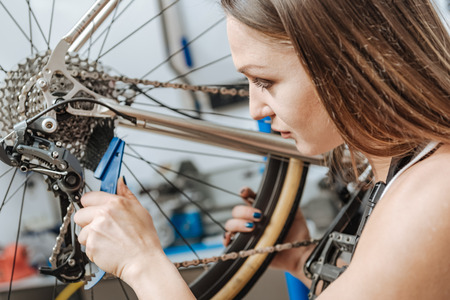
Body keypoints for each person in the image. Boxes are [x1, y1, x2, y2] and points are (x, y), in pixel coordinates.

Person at [74, 0, 450, 298]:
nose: (256, 108)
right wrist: (301, 259)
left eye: (265, 81)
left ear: (350, 62)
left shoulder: (433, 196)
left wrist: (143, 265)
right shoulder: (407, 171)